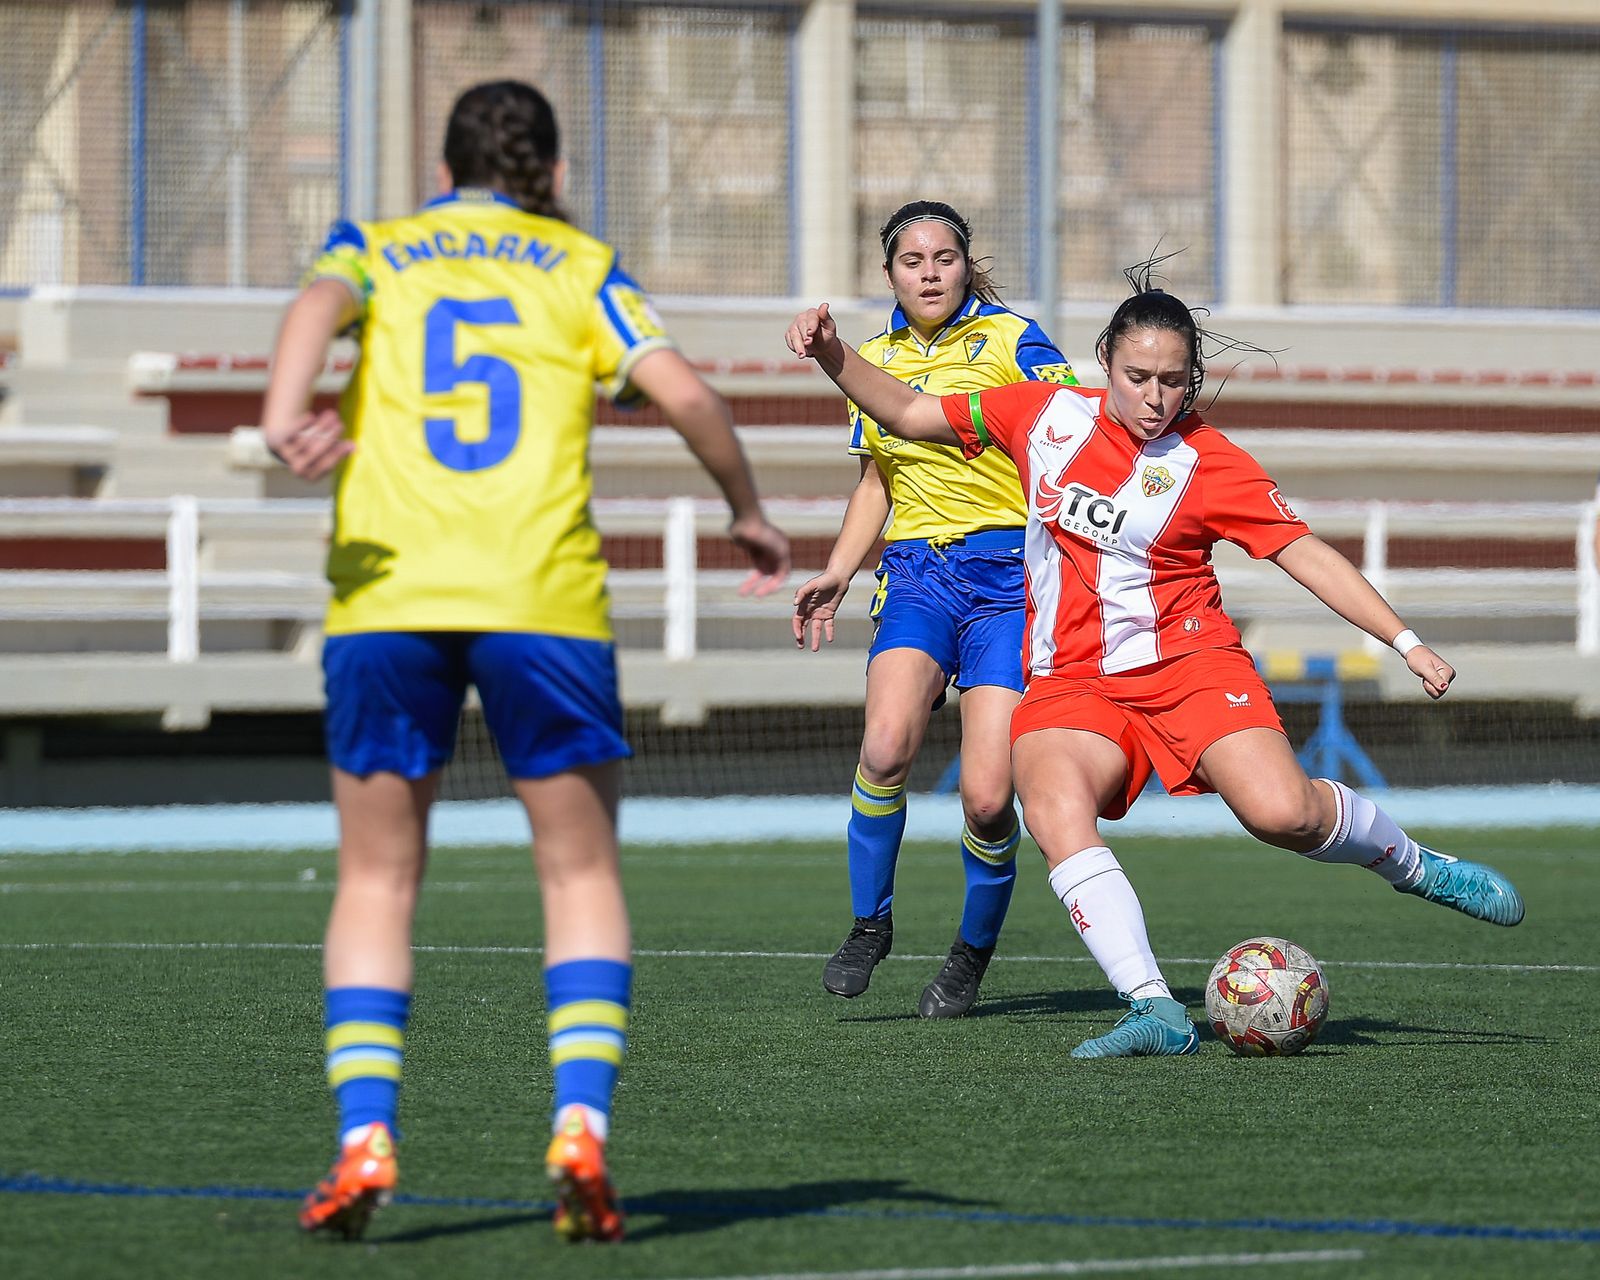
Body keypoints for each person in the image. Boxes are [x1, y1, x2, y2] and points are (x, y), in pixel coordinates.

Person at [262, 80, 790, 1241]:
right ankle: (580, 1126)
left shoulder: (380, 246)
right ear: (549, 170)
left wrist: (282, 407)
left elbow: (312, 303)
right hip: (541, 600)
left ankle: (363, 1134)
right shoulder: (579, 265)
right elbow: (688, 394)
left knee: (375, 880)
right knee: (579, 874)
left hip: (386, 591)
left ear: (442, 166)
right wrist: (746, 508)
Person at [785, 265, 1523, 1058]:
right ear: (1105, 361)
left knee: (1285, 814)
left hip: (1191, 667)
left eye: (1173, 381)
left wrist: (1406, 641)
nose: (1155, 396)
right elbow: (906, 408)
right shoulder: (1042, 413)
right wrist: (832, 353)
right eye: (1138, 376)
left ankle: (1415, 865)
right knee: (1050, 799)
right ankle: (1152, 1008)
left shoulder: (1212, 461)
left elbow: (1304, 555)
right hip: (1073, 680)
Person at [792, 200, 1077, 1018]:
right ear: (888, 273)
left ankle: (969, 955)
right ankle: (869, 924)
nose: (928, 272)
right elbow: (876, 483)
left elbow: (1070, 431)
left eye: (943, 257)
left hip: (1006, 584)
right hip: (917, 576)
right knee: (883, 748)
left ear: (965, 264)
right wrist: (840, 571)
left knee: (988, 798)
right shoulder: (871, 358)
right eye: (911, 260)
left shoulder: (1015, 339)